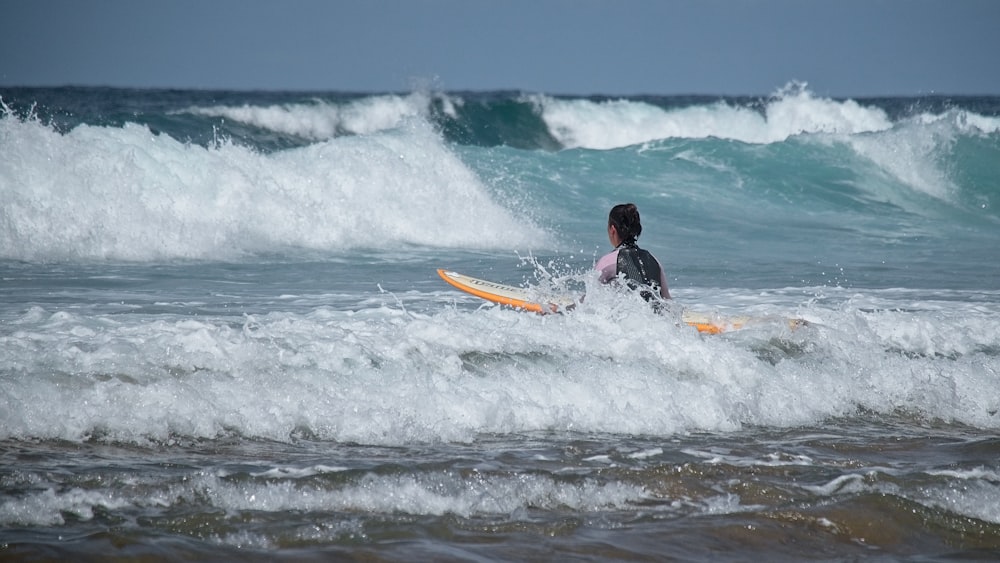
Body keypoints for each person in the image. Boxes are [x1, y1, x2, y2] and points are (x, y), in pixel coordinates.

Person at [595, 203, 671, 302]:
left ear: (612, 230)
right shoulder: (653, 260)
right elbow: (667, 301)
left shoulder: (607, 262)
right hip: (654, 316)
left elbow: (589, 302)